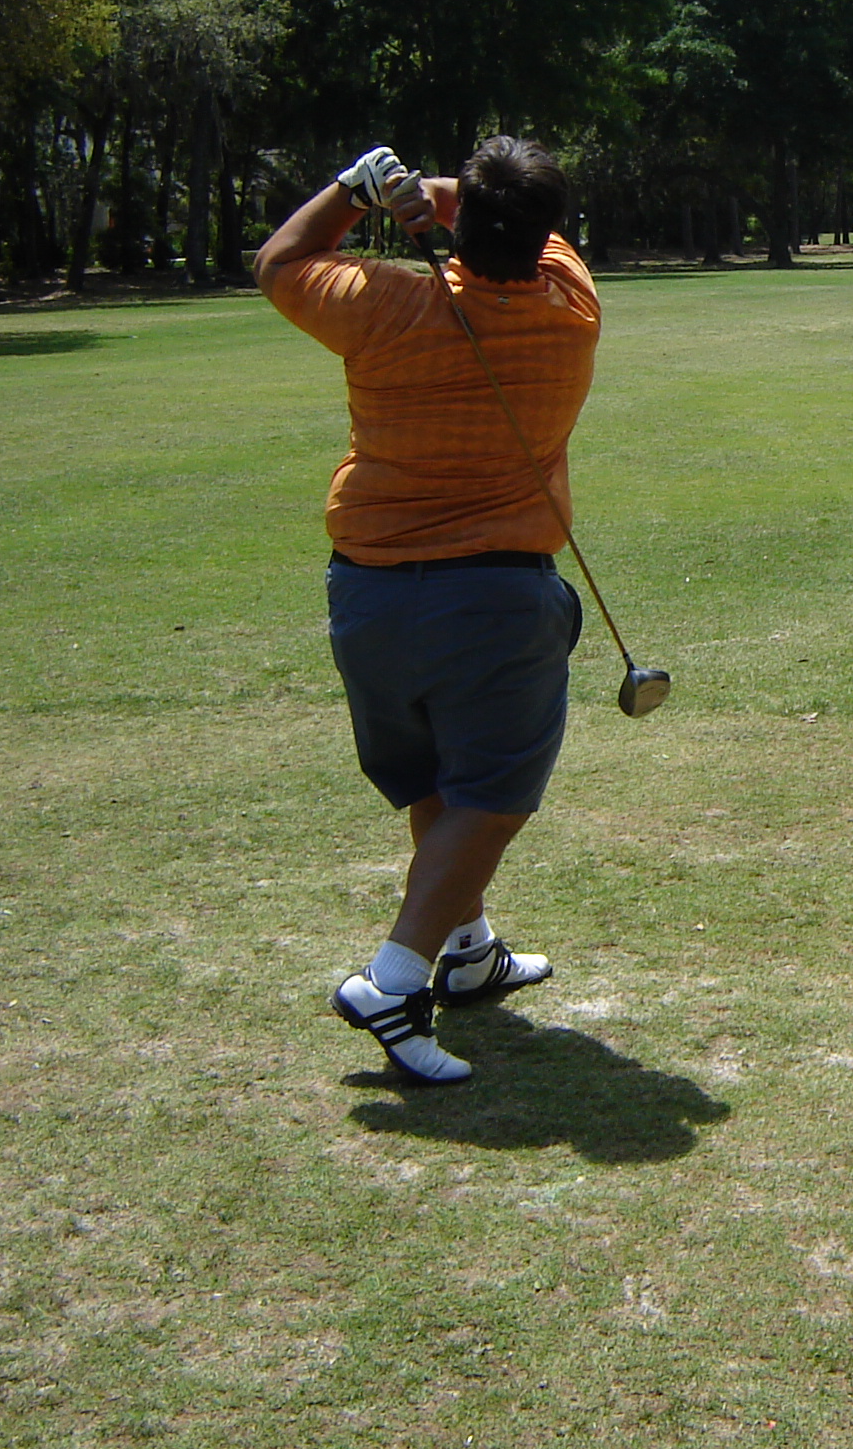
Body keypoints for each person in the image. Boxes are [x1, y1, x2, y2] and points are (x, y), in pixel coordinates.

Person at [254, 138, 599, 1084]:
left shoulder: (382, 303)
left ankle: (469, 952)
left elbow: (280, 261)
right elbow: (505, 217)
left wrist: (360, 190)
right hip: (496, 597)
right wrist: (430, 197)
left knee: (437, 782)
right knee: (492, 798)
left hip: (368, 593)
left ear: (465, 223)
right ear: (542, 232)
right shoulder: (571, 304)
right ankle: (395, 979)